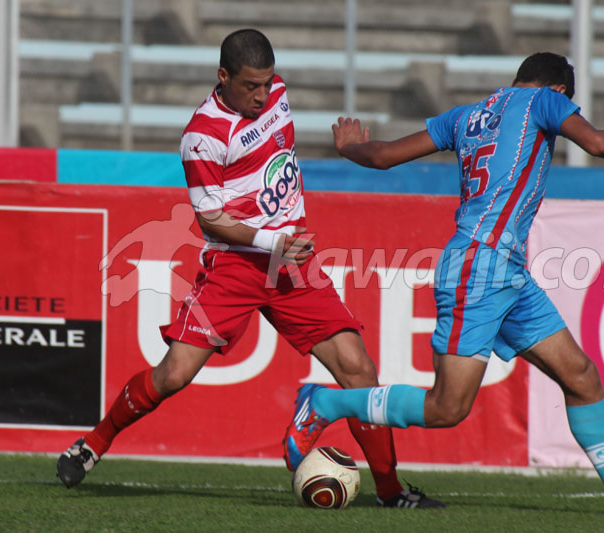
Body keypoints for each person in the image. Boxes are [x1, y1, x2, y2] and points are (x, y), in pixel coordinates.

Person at [56, 28, 444, 509]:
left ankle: (391, 490)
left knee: (358, 368)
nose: (262, 95)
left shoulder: (277, 92)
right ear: (223, 77)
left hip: (291, 265)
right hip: (235, 267)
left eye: (266, 83)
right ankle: (96, 440)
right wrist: (271, 238)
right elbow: (209, 218)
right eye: (250, 86)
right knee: (174, 374)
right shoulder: (202, 136)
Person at [284, 52, 604, 515]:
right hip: (478, 267)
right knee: (446, 409)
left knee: (580, 375)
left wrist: (349, 148)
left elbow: (383, 156)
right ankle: (326, 403)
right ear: (559, 92)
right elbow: (595, 143)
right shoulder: (543, 102)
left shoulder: (465, 117)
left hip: (505, 271)